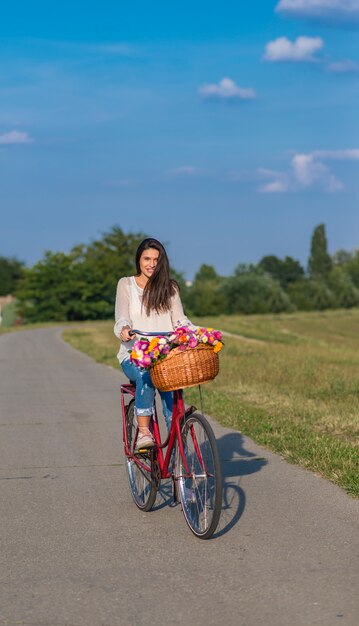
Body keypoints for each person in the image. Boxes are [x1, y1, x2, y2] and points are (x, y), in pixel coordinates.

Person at [114, 238, 194, 450]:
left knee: (171, 394)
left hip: (164, 356)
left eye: (156, 260)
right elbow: (122, 317)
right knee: (146, 374)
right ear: (138, 260)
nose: (151, 264)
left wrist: (191, 333)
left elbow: (180, 320)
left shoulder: (170, 288)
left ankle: (179, 457)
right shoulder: (126, 284)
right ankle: (143, 432)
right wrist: (124, 330)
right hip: (134, 357)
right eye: (146, 259)